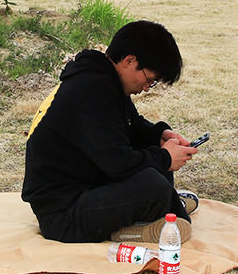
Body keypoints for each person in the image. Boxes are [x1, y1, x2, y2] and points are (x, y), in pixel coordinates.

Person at [21, 20, 199, 245]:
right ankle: (151, 218)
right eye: (149, 80)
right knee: (154, 184)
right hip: (64, 215)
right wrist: (165, 158)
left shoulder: (104, 80)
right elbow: (117, 163)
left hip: (87, 186)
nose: (146, 88)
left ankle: (163, 208)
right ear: (129, 60)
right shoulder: (91, 91)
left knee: (155, 162)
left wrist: (160, 135)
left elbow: (131, 127)